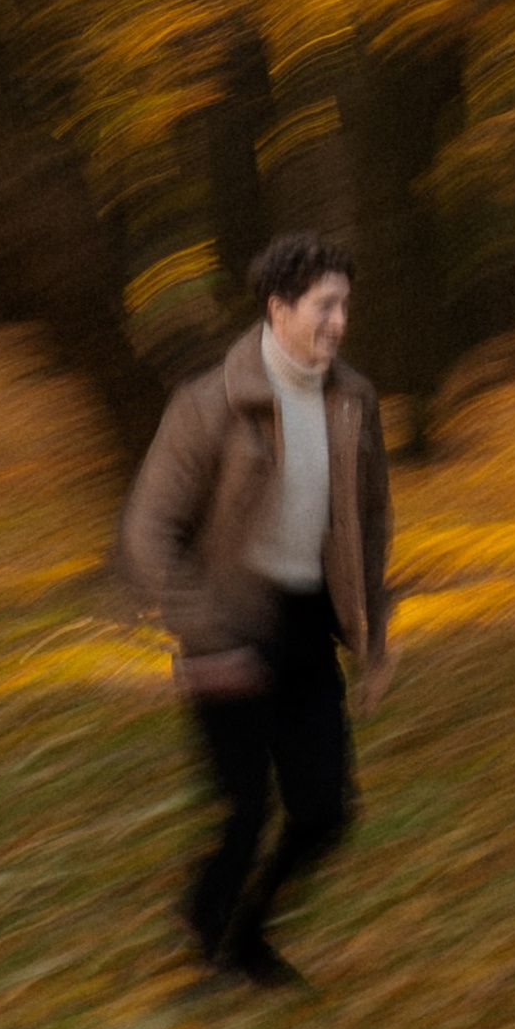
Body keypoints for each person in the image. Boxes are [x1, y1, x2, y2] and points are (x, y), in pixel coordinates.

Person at [122, 231, 395, 990]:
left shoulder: (354, 401)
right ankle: (218, 937)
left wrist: (373, 639)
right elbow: (149, 532)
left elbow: (370, 525)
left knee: (324, 813)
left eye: (346, 304)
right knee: (244, 811)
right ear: (278, 308)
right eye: (324, 305)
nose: (339, 321)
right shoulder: (208, 405)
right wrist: (205, 632)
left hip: (308, 624)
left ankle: (238, 933)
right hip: (225, 625)